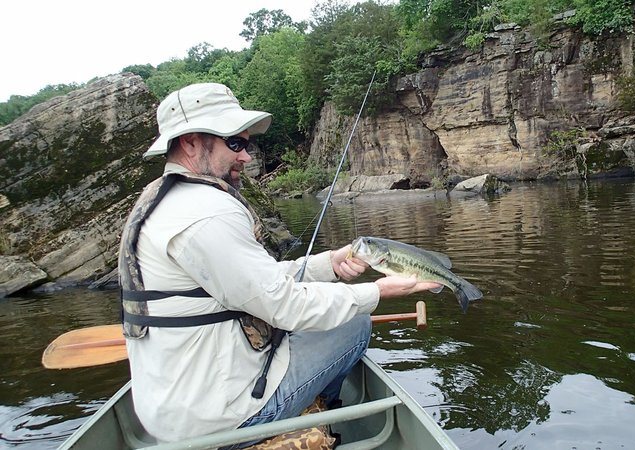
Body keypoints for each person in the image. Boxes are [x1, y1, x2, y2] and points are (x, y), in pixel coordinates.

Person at [117, 82, 439, 446]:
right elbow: (283, 304)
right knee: (355, 323)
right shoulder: (207, 213)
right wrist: (375, 291)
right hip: (220, 423)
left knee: (327, 314)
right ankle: (316, 415)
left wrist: (328, 266)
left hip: (171, 413)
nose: (247, 156)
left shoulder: (162, 202)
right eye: (235, 143)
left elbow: (258, 283)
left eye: (246, 143)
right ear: (190, 142)